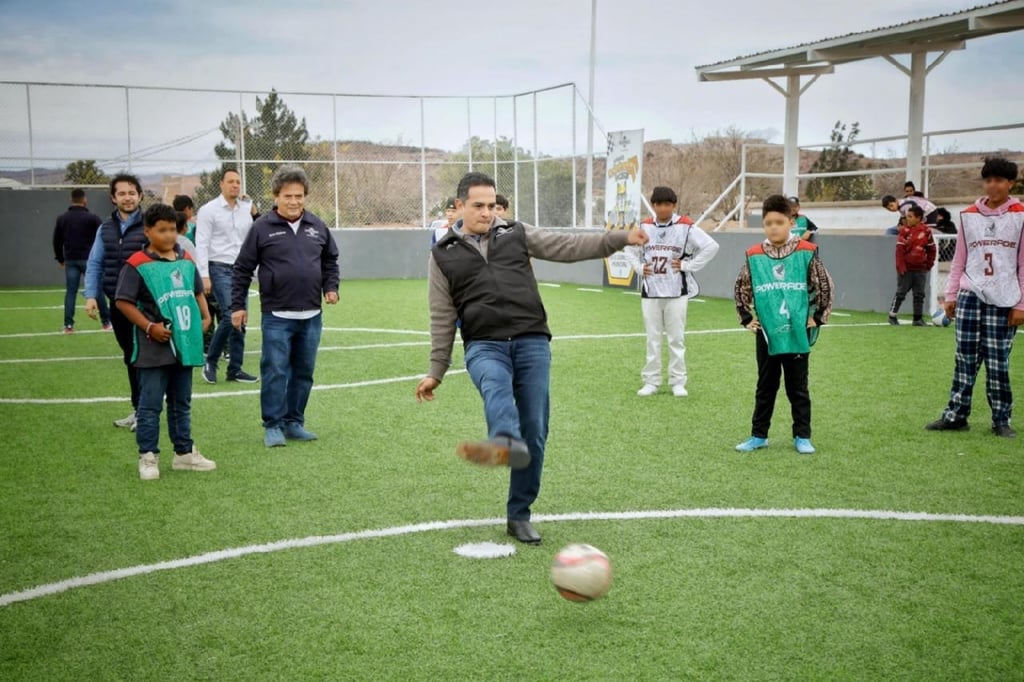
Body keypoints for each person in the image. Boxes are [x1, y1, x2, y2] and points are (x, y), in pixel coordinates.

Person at [414, 171, 648, 545]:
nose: (488, 213)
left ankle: (518, 514)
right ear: (458, 206)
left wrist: (619, 239)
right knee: (495, 388)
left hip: (531, 341)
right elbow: (441, 315)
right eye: (479, 206)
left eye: (492, 205)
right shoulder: (443, 255)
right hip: (484, 344)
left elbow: (567, 246)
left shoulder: (516, 232)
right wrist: (436, 370)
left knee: (535, 431)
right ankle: (504, 441)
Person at [230, 165, 340, 448]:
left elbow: (330, 261)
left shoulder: (318, 226)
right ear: (276, 196)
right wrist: (237, 306)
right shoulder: (261, 228)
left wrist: (331, 287)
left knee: (304, 372)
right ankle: (273, 425)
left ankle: (294, 422)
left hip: (312, 315)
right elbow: (242, 269)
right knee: (275, 371)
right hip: (277, 315)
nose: (294, 201)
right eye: (288, 195)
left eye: (299, 196)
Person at [926, 157, 1024, 439]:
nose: (993, 185)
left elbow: (1022, 263)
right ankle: (956, 415)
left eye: (999, 180)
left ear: (1010, 184)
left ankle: (1001, 419)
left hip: (1005, 299)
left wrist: (1021, 304)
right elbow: (960, 259)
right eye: (988, 180)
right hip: (970, 296)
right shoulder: (968, 215)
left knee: (997, 362)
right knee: (964, 359)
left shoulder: (1020, 215)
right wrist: (951, 295)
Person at [114, 203, 214, 480]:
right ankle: (148, 456)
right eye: (162, 230)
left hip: (184, 343)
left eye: (172, 229)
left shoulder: (185, 260)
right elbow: (123, 301)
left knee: (181, 402)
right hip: (152, 346)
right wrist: (149, 326)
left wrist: (205, 318)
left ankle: (183, 453)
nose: (168, 235)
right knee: (150, 404)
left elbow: (197, 292)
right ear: (148, 231)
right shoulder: (137, 264)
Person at [733, 194, 834, 455]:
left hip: (797, 331)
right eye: (768, 223)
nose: (773, 227)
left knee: (797, 387)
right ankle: (758, 435)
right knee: (765, 385)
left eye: (779, 222)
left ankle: (802, 435)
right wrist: (746, 317)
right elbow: (742, 286)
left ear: (791, 222)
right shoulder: (755, 255)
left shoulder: (806, 251)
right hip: (767, 332)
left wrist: (819, 316)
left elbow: (823, 284)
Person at [629, 186, 719, 397]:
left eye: (667, 204)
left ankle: (678, 381)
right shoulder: (644, 226)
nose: (663, 208)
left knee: (676, 339)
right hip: (651, 291)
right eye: (659, 204)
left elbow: (711, 246)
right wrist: (639, 268)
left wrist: (689, 265)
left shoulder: (685, 226)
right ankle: (651, 381)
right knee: (652, 338)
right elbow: (629, 249)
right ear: (653, 205)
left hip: (676, 291)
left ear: (674, 205)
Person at [84, 173, 148, 431]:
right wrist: (90, 296)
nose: (127, 197)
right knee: (130, 356)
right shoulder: (105, 228)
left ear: (140, 195)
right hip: (118, 304)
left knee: (144, 357)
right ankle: (138, 409)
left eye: (132, 192)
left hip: (146, 306)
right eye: (121, 193)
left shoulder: (150, 224)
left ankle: (146, 411)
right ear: (113, 198)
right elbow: (95, 263)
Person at [194, 168, 259, 384]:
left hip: (241, 269)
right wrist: (204, 275)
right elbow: (201, 243)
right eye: (231, 181)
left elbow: (252, 238)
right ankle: (211, 361)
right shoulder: (208, 210)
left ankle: (235, 369)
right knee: (231, 314)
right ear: (221, 184)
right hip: (218, 267)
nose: (235, 185)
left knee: (240, 318)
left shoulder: (246, 209)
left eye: (238, 182)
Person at [53, 188, 109, 333]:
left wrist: (60, 258)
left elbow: (56, 240)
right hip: (90, 260)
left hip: (71, 260)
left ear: (71, 200)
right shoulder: (93, 218)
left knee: (71, 292)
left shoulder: (62, 218)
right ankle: (106, 323)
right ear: (85, 200)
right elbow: (104, 237)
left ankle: (68, 325)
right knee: (97, 290)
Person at [888, 204, 936, 326]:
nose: (907, 219)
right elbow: (899, 251)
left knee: (919, 294)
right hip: (906, 269)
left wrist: (928, 264)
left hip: (920, 269)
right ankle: (892, 316)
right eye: (907, 216)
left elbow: (932, 249)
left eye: (910, 216)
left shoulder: (926, 232)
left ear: (918, 218)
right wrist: (900, 266)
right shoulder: (904, 231)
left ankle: (917, 319)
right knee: (901, 293)